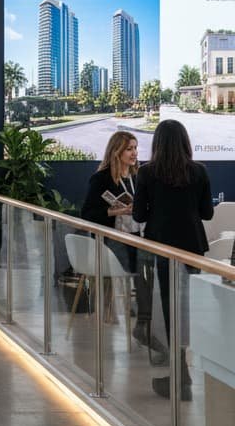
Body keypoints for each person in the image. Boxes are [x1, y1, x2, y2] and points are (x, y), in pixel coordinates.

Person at [132, 119, 213, 401]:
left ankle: (179, 372)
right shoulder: (199, 171)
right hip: (192, 246)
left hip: (161, 246)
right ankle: (184, 370)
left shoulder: (146, 172)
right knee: (188, 306)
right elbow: (207, 213)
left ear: (157, 143)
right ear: (185, 142)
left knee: (168, 306)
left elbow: (139, 215)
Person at [80, 131, 162, 354]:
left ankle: (144, 325)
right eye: (129, 149)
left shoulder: (138, 177)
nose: (134, 153)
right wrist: (116, 211)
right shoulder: (101, 179)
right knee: (145, 269)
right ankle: (143, 325)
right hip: (113, 242)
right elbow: (87, 214)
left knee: (151, 268)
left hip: (138, 238)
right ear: (116, 151)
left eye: (135, 148)